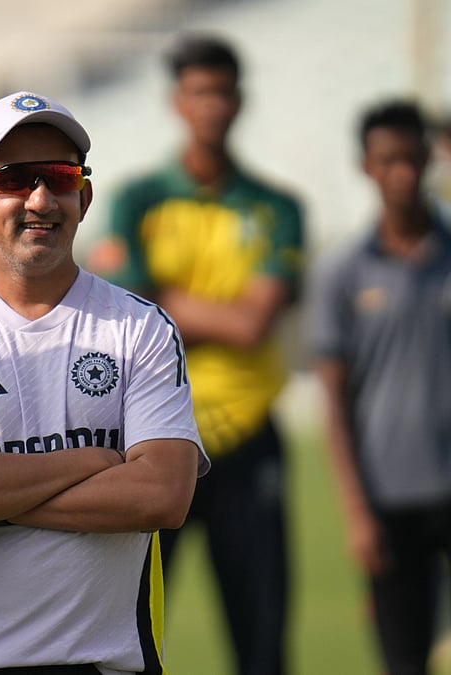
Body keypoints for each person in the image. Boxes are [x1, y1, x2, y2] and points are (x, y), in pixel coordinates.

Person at [0, 90, 209, 675]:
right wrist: (91, 462)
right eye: (14, 178)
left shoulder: (142, 327)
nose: (40, 198)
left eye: (59, 177)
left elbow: (163, 495)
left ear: (83, 197)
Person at [87, 34, 304, 675]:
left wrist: (166, 302)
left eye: (222, 91)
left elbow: (253, 325)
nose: (211, 105)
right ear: (176, 102)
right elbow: (130, 311)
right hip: (154, 438)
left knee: (261, 641)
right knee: (127, 638)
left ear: (240, 101)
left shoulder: (276, 208)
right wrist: (218, 311)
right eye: (199, 91)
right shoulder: (136, 200)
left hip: (246, 435)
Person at [308, 99, 451, 675]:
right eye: (388, 160)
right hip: (389, 500)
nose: (403, 173)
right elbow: (335, 405)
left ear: (430, 159)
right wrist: (356, 512)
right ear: (366, 166)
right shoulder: (341, 270)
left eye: (412, 159)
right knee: (404, 661)